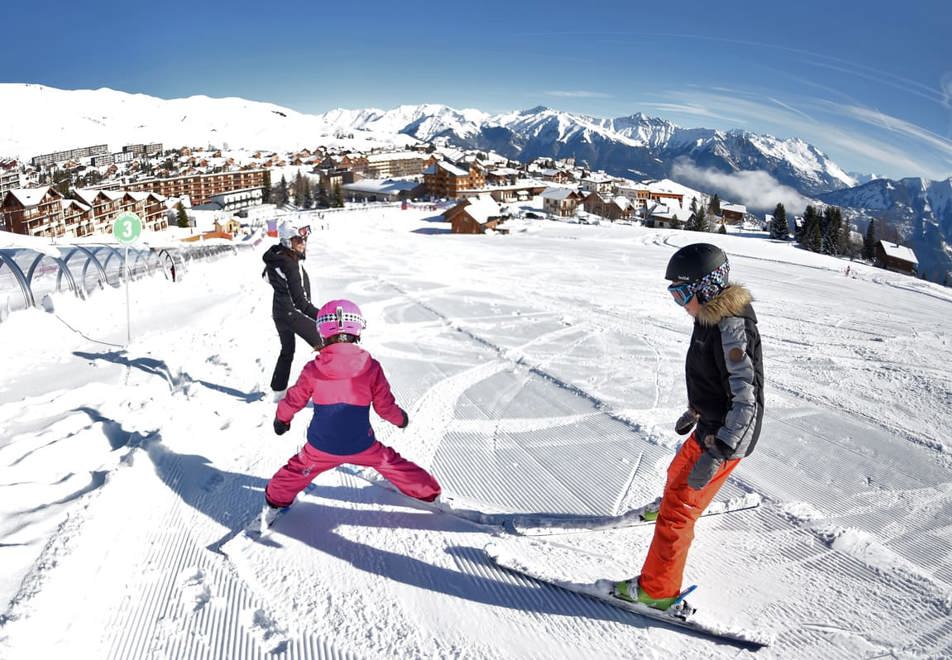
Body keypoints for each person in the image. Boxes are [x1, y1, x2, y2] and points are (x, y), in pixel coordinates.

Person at [614, 243, 764, 617]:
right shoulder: (708, 317)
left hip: (727, 437)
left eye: (682, 293)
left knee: (678, 514)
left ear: (707, 288)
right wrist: (695, 410)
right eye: (673, 294)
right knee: (676, 473)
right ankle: (666, 507)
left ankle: (657, 591)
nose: (680, 303)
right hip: (711, 425)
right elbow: (712, 379)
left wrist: (720, 453)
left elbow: (747, 400)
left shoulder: (732, 329)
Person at [263, 299, 442, 522]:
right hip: (362, 444)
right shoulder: (371, 366)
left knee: (298, 469)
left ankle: (276, 497)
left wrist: (282, 419)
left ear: (322, 331)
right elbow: (384, 407)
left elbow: (295, 399)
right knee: (390, 462)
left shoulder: (313, 369)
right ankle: (428, 491)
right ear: (357, 328)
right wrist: (400, 419)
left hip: (321, 446)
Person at [263, 222, 321, 399]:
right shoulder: (290, 263)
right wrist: (324, 317)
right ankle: (330, 394)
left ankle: (278, 392)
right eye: (297, 240)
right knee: (326, 346)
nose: (302, 243)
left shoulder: (276, 255)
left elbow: (265, 276)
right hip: (291, 313)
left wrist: (281, 287)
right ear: (287, 242)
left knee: (287, 350)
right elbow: (301, 303)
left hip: (279, 311)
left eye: (303, 239)